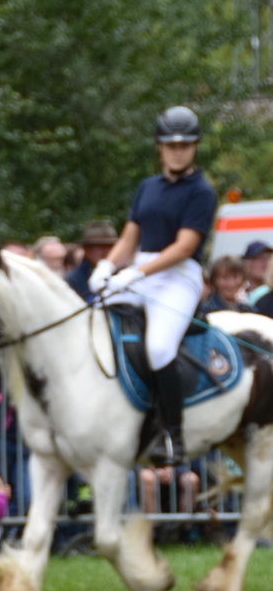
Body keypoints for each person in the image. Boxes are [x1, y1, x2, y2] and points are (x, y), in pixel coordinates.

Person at [90, 107, 217, 467]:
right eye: (171, 144)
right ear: (159, 147)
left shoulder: (201, 191)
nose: (178, 150)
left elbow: (185, 246)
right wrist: (107, 265)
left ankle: (172, 435)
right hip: (141, 268)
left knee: (160, 346)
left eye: (185, 144)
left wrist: (136, 273)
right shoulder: (148, 186)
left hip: (178, 274)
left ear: (194, 147)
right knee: (94, 316)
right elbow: (130, 236)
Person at [66, 219, 119, 301]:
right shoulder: (73, 280)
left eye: (110, 246)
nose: (107, 251)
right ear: (86, 249)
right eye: (101, 246)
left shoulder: (124, 274)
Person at [242, 240, 271, 304]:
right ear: (246, 263)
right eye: (259, 258)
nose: (265, 263)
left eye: (269, 258)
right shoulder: (235, 293)